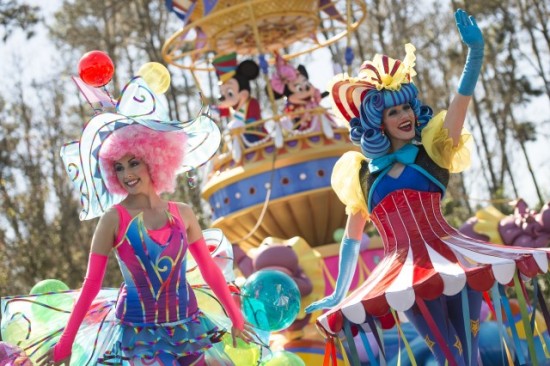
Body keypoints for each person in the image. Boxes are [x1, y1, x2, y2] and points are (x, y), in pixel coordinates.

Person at [305, 9, 549, 366]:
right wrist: (338, 293)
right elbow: (351, 239)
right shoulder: (362, 176)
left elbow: (460, 103)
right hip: (404, 275)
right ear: (378, 122)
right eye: (392, 112)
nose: (404, 115)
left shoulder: (431, 152)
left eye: (406, 106)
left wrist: (475, 55)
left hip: (456, 259)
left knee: (468, 354)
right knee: (451, 355)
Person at [24, 77, 257, 365]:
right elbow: (91, 285)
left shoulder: (183, 213)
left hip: (189, 326)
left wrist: (237, 318)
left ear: (154, 160)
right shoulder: (112, 219)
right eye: (118, 167)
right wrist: (65, 343)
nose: (126, 174)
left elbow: (209, 269)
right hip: (138, 334)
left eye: (133, 162)